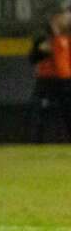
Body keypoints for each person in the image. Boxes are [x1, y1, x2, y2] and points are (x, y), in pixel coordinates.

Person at [28, 9, 71, 142]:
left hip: (66, 81)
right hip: (46, 81)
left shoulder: (67, 37)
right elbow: (33, 58)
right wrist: (43, 50)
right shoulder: (44, 37)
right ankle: (36, 142)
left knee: (68, 114)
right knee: (40, 113)